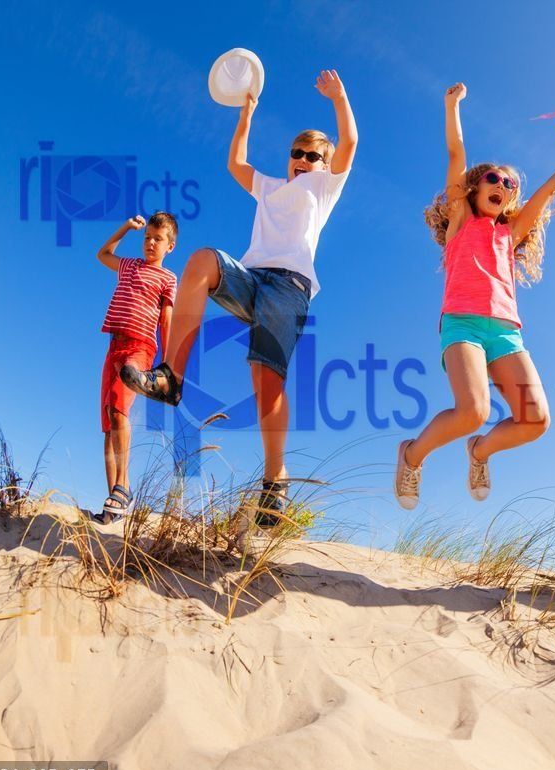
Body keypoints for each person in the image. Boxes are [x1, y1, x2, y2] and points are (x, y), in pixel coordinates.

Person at [122, 70, 357, 528]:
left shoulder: (324, 187)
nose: (304, 159)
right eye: (297, 153)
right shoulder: (271, 186)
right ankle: (170, 377)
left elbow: (349, 140)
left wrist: (339, 96)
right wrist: (246, 113)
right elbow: (235, 163)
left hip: (289, 287)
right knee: (201, 261)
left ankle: (275, 479)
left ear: (324, 165)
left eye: (313, 155)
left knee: (265, 381)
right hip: (251, 278)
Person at [394, 82, 555, 510]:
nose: (502, 184)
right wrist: (452, 108)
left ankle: (479, 452)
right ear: (473, 188)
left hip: (505, 333)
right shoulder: (462, 220)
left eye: (508, 183)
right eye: (493, 178)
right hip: (463, 323)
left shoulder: (510, 233)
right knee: (473, 411)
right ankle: (412, 456)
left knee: (536, 420)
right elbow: (455, 156)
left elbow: (547, 192)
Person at [93, 213, 178, 523]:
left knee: (119, 410)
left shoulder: (168, 278)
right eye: (147, 238)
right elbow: (103, 255)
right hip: (113, 345)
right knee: (109, 423)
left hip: (140, 346)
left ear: (170, 245)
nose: (150, 243)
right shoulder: (129, 265)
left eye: (158, 239)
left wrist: (166, 367)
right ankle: (115, 502)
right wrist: (126, 228)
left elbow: (166, 320)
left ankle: (122, 486)